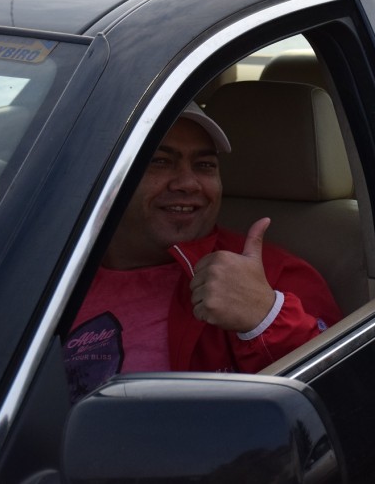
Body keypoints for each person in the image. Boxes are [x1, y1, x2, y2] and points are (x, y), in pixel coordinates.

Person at [63, 102, 342, 402]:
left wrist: (265, 319)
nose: (187, 183)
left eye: (204, 165)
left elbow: (341, 399)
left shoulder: (273, 276)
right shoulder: (54, 265)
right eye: (160, 161)